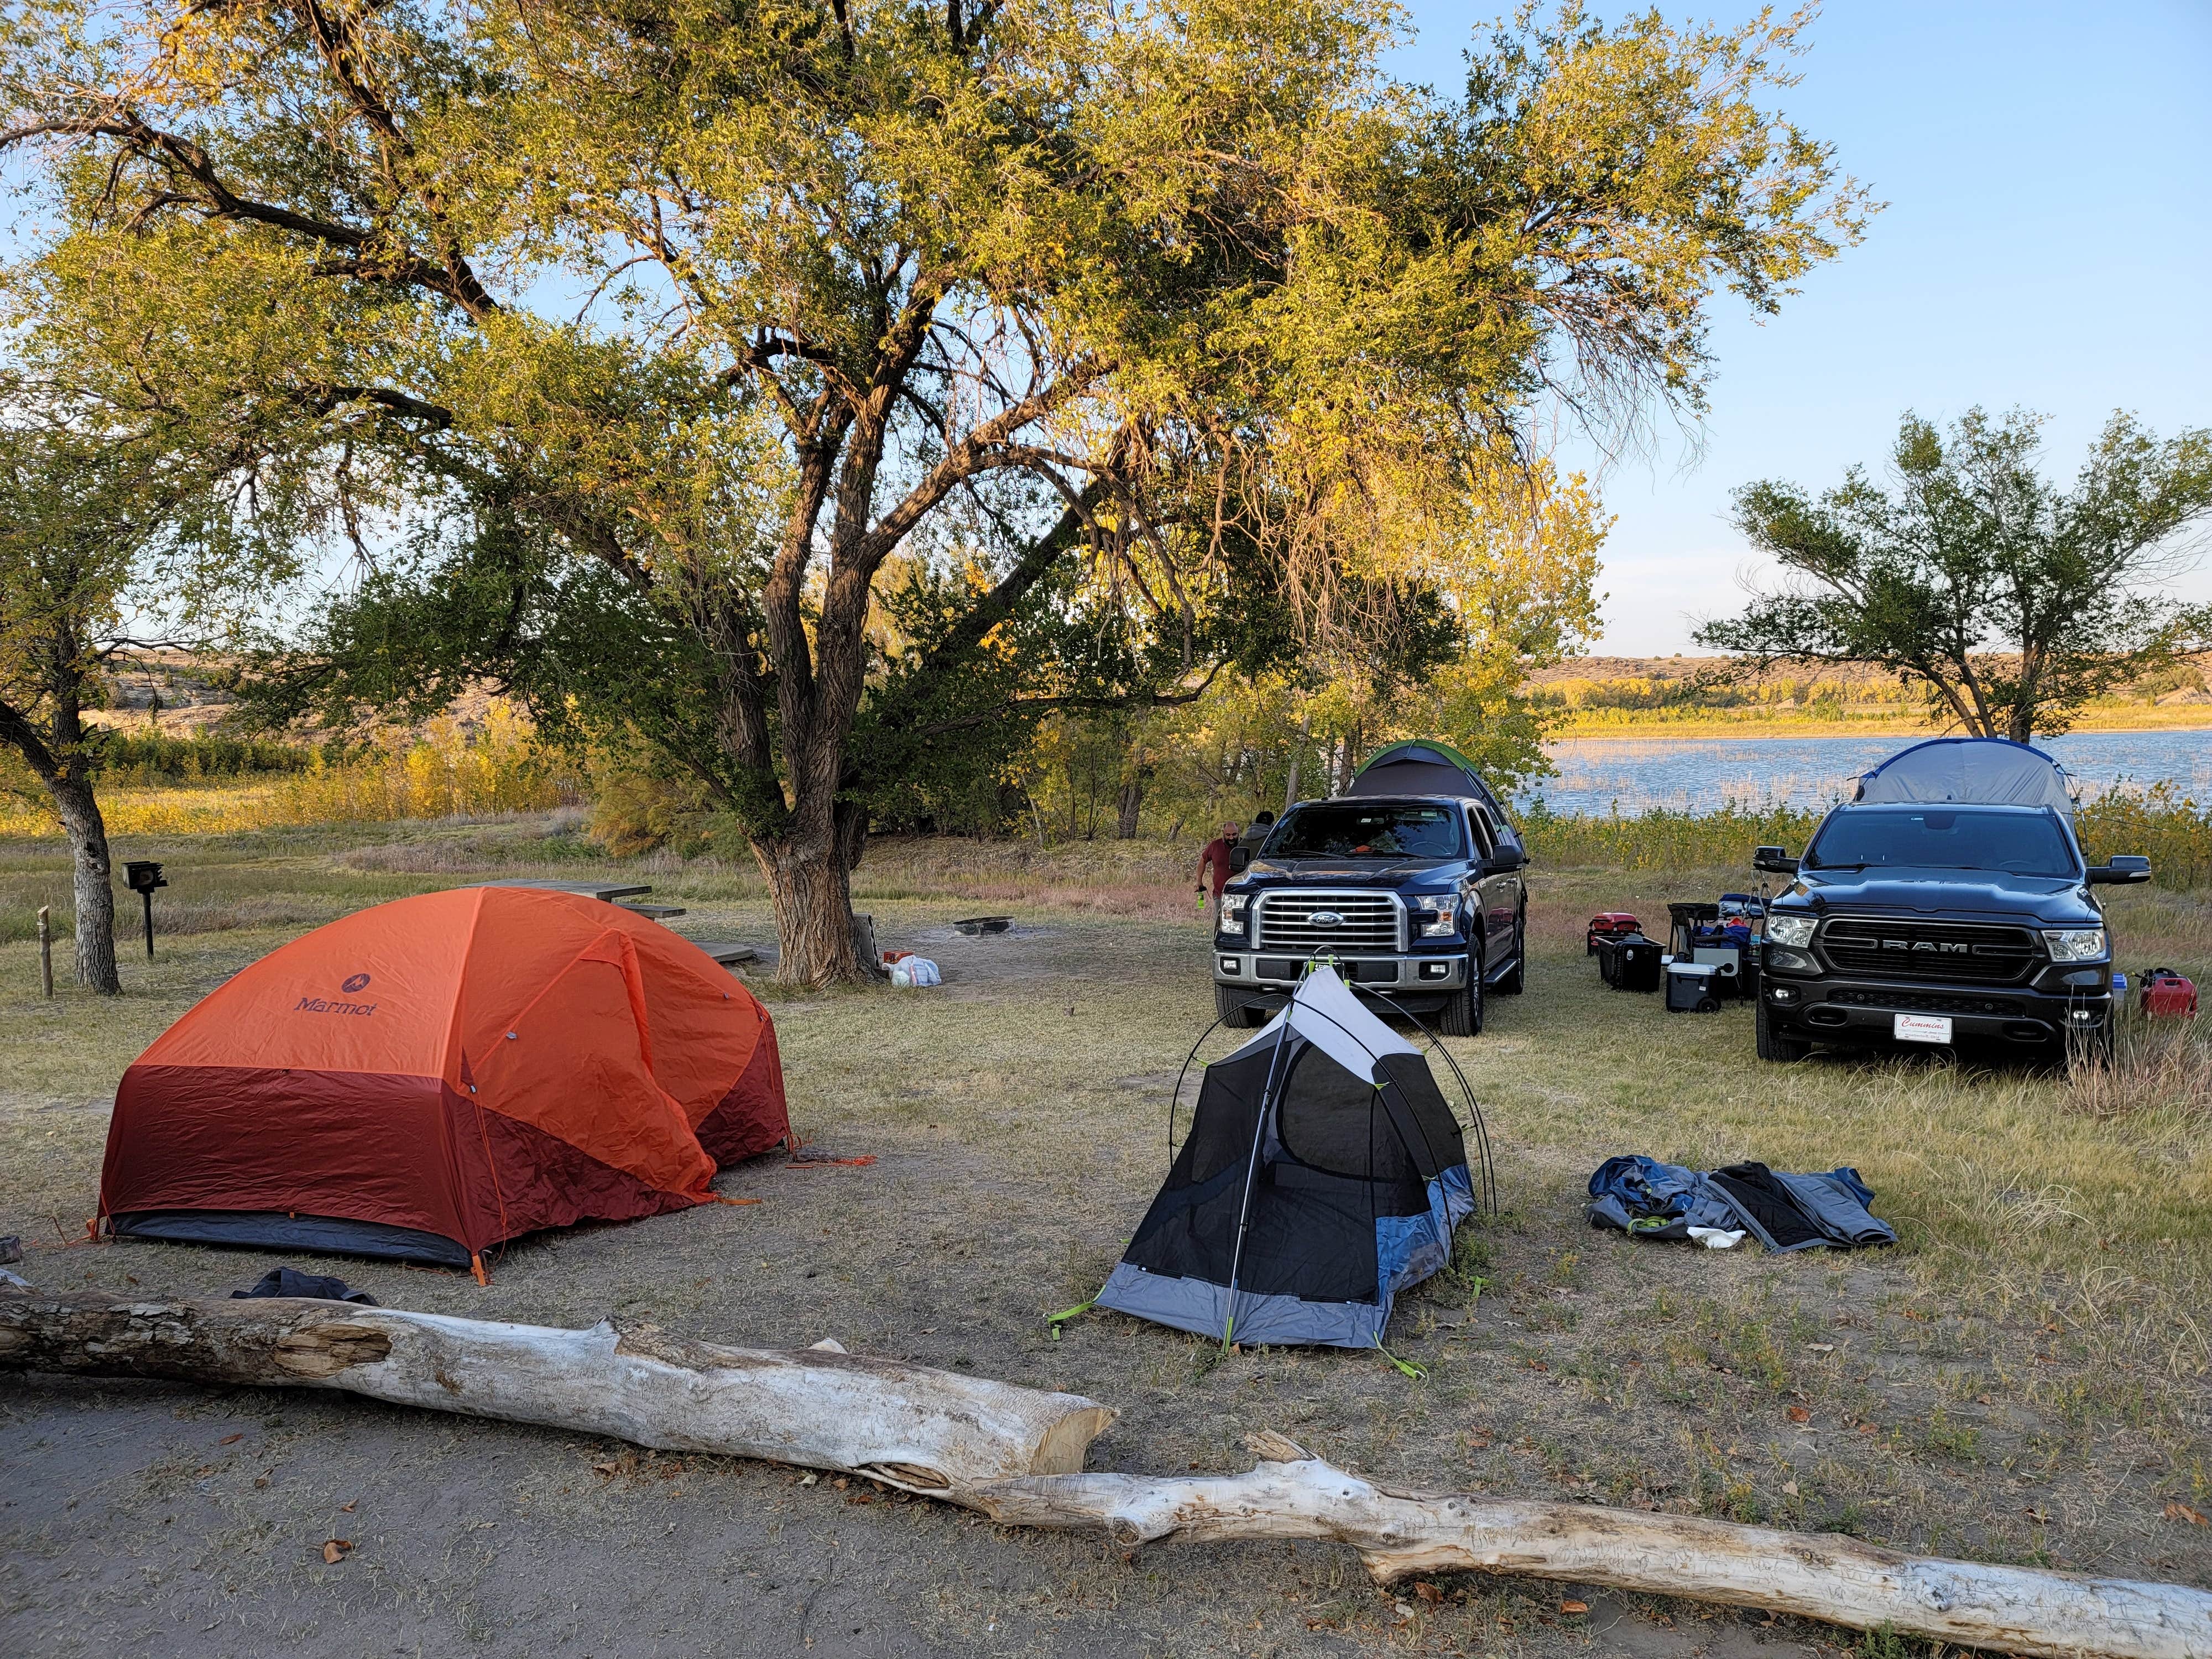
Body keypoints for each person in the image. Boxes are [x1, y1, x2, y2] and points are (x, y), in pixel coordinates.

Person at [1196, 821, 1242, 904]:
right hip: (1219, 895)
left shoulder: (1245, 845)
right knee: (1218, 917)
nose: (1231, 838)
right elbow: (1203, 861)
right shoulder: (1215, 846)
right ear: (1223, 833)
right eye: (1228, 835)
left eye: (1234, 834)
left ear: (1239, 832)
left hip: (1240, 896)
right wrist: (1199, 881)